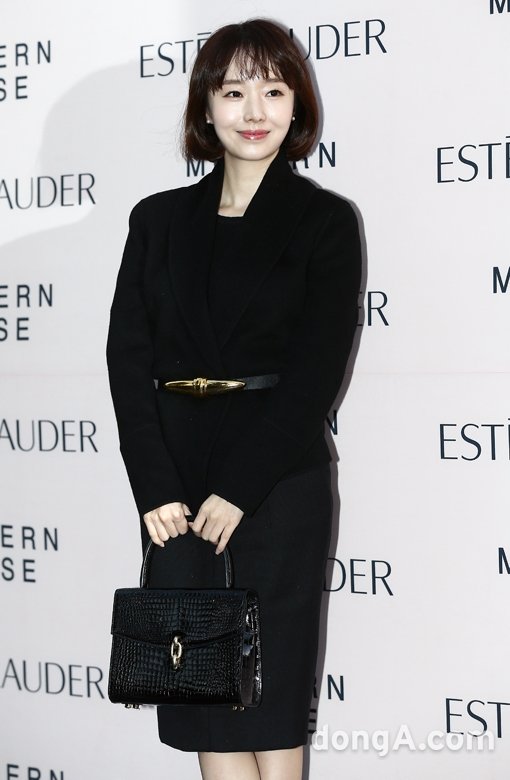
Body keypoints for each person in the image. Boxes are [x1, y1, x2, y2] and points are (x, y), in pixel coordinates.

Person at [107, 18, 361, 780]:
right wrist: (154, 486)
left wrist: (241, 489)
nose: (255, 111)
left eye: (274, 91)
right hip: (177, 490)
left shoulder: (324, 222)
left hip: (277, 482)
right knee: (206, 698)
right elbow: (127, 358)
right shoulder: (157, 221)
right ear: (206, 106)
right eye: (234, 91)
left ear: (297, 106)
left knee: (271, 698)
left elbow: (316, 374)